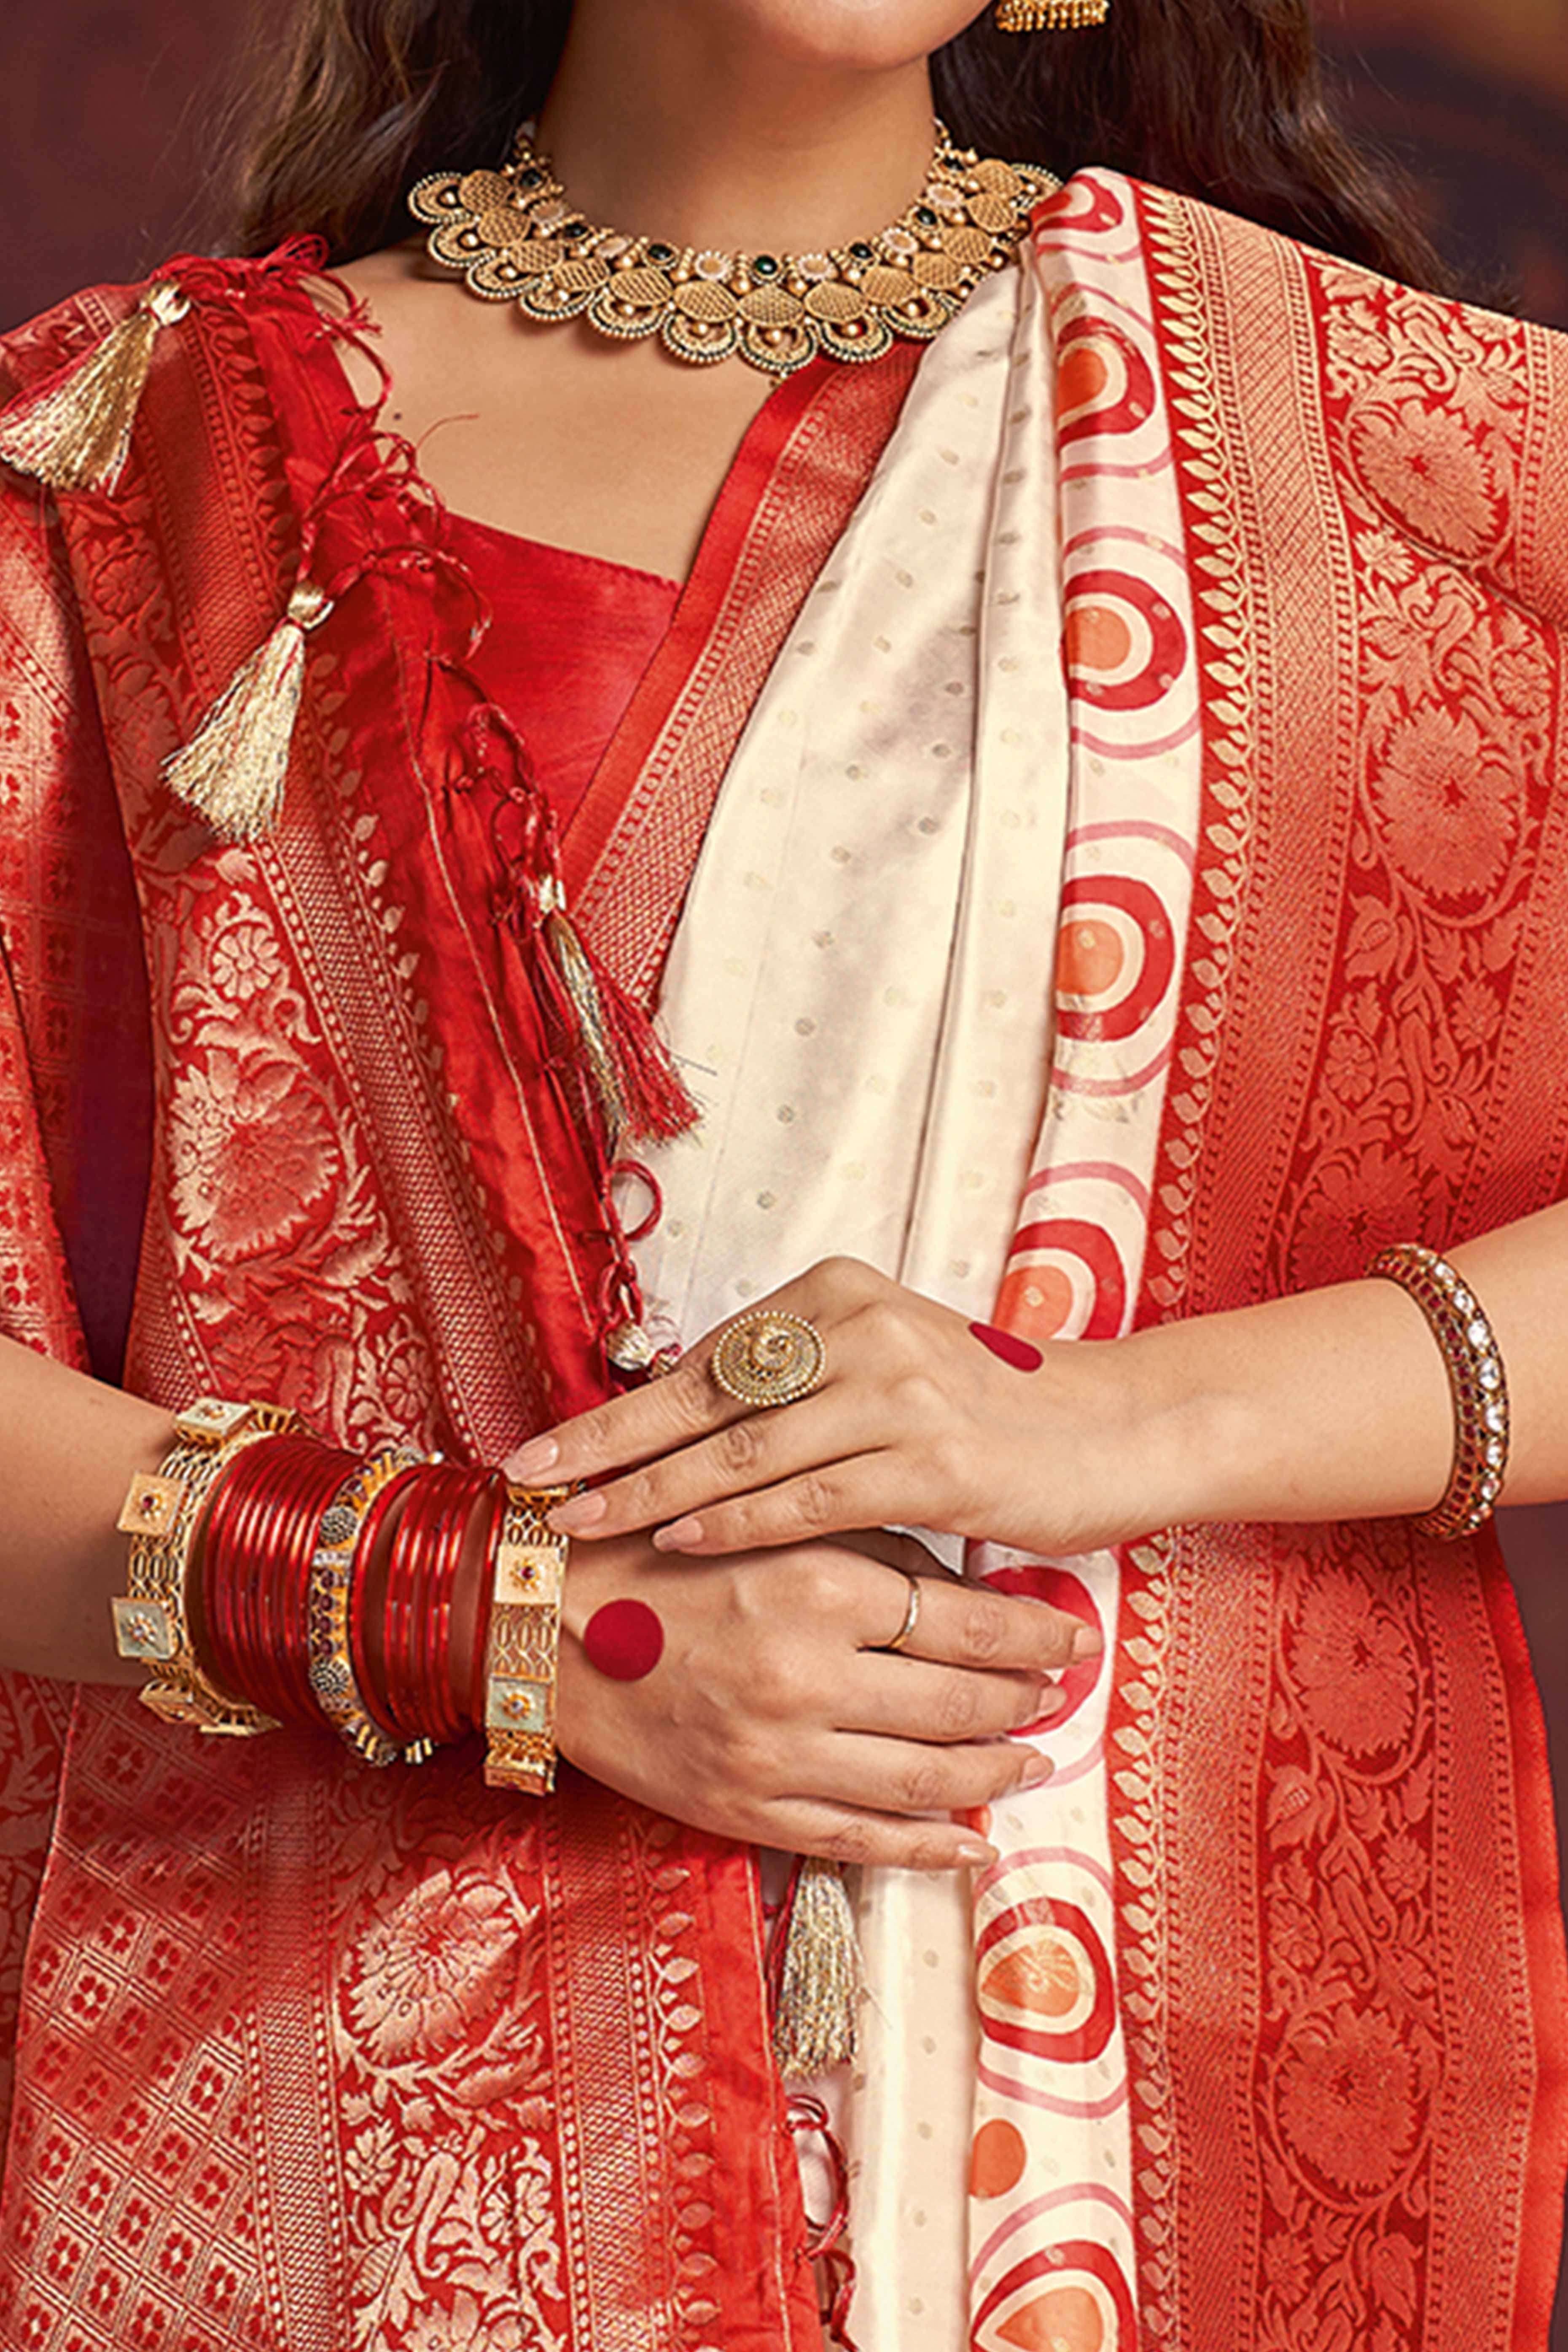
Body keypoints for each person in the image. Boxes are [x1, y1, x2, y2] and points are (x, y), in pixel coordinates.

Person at [0, 0, 1563, 2345]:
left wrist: (1100, 1423)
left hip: (1149, 2119)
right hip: (368, 2143)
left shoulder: (1406, 466)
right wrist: (531, 1618)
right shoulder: (130, 477)